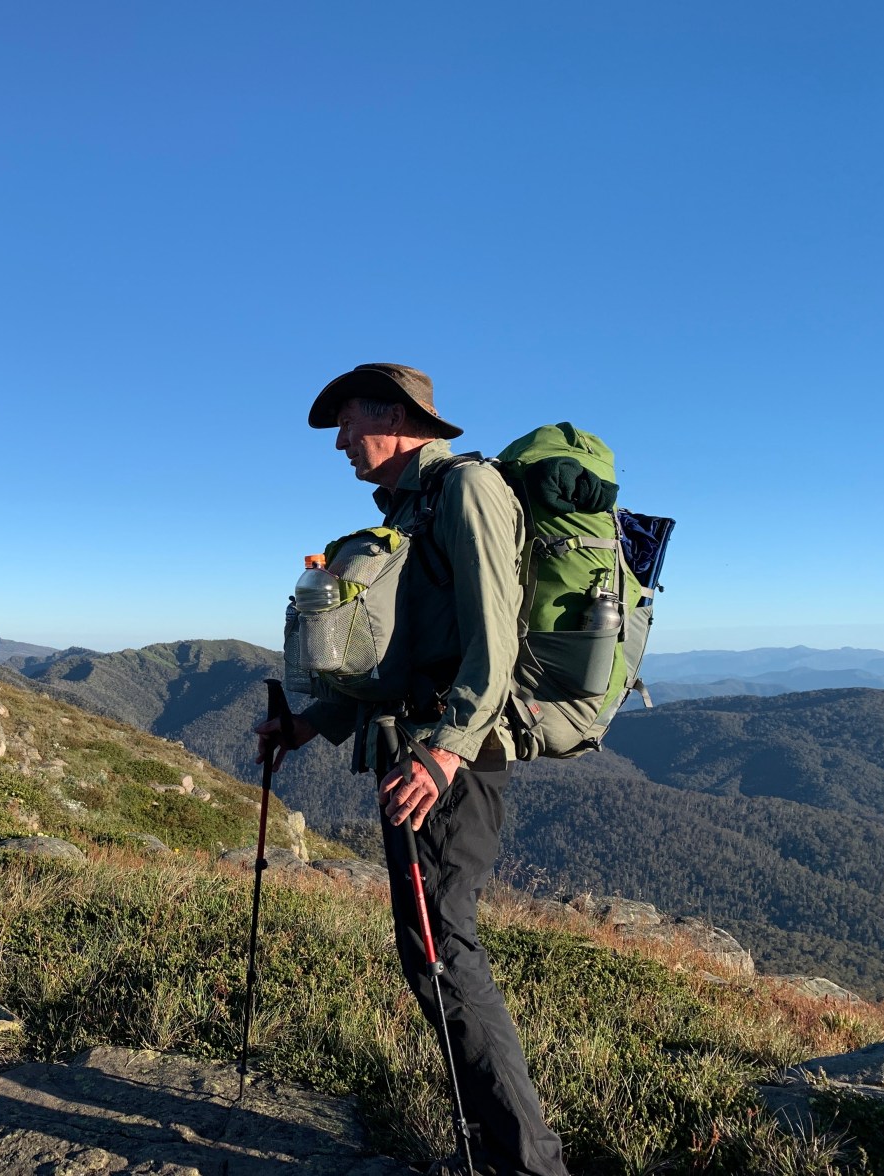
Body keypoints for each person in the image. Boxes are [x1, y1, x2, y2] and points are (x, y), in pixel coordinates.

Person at [256, 364, 568, 1176]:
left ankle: (522, 1165)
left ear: (395, 415)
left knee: (443, 954)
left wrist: (442, 749)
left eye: (349, 421)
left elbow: (492, 643)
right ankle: (506, 1153)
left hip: (447, 762)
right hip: (417, 752)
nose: (339, 441)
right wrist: (305, 723)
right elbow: (397, 663)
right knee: (431, 954)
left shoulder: (465, 490)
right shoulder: (410, 509)